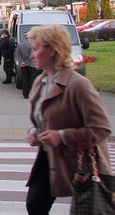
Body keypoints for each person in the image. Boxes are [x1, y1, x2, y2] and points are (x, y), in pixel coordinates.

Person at [25, 24, 112, 214]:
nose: (32, 55)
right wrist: (33, 132)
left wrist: (62, 136)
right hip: (50, 157)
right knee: (35, 204)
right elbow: (40, 118)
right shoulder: (41, 81)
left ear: (52, 50)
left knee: (87, 209)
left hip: (81, 163)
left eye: (36, 49)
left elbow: (102, 129)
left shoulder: (78, 85)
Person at [15, 34, 40, 99]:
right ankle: (33, 93)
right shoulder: (33, 45)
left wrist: (22, 62)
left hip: (23, 65)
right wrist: (27, 63)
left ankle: (25, 94)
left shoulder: (20, 45)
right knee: (32, 79)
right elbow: (32, 55)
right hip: (32, 65)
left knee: (25, 79)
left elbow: (18, 54)